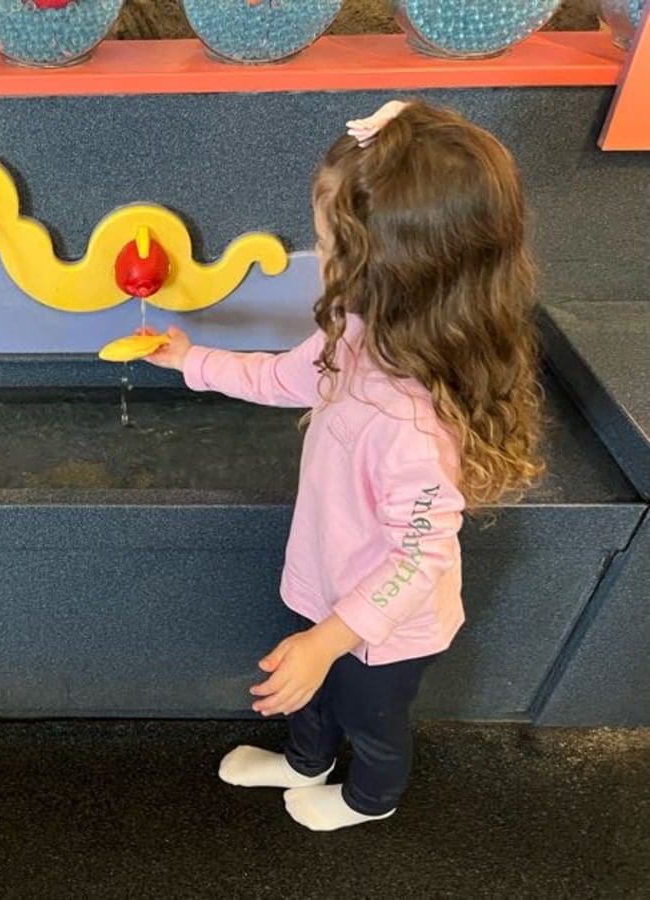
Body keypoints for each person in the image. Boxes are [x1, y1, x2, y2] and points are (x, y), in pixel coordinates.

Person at [141, 100, 544, 831]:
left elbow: (421, 554)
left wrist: (332, 638)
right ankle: (305, 762)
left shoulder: (410, 425)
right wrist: (190, 360)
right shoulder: (358, 334)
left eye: (329, 244)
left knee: (370, 718)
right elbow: (286, 380)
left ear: (393, 268)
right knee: (314, 693)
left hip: (389, 631)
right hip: (327, 582)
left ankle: (371, 800)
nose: (320, 256)